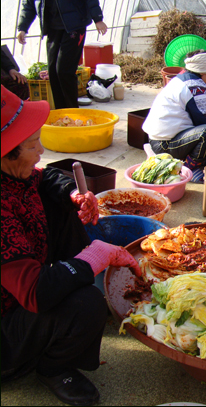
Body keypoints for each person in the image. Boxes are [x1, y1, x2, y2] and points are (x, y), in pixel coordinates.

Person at [1, 86, 140, 406]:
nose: (40, 151)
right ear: (8, 151)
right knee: (86, 303)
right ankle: (52, 365)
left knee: (62, 206)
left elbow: (44, 177)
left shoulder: (13, 174)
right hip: (6, 333)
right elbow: (35, 293)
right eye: (33, 144)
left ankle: (76, 285)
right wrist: (95, 255)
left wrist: (73, 195)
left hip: (23, 285)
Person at [143, 51, 206, 183]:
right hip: (165, 145)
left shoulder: (183, 80)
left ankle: (192, 161)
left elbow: (200, 107)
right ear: (203, 73)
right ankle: (188, 168)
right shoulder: (195, 86)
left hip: (158, 140)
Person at [17, 0, 108, 109]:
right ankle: (61, 112)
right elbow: (29, 3)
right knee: (52, 72)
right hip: (52, 28)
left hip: (74, 25)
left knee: (64, 70)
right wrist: (22, 27)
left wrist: (98, 18)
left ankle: (72, 111)